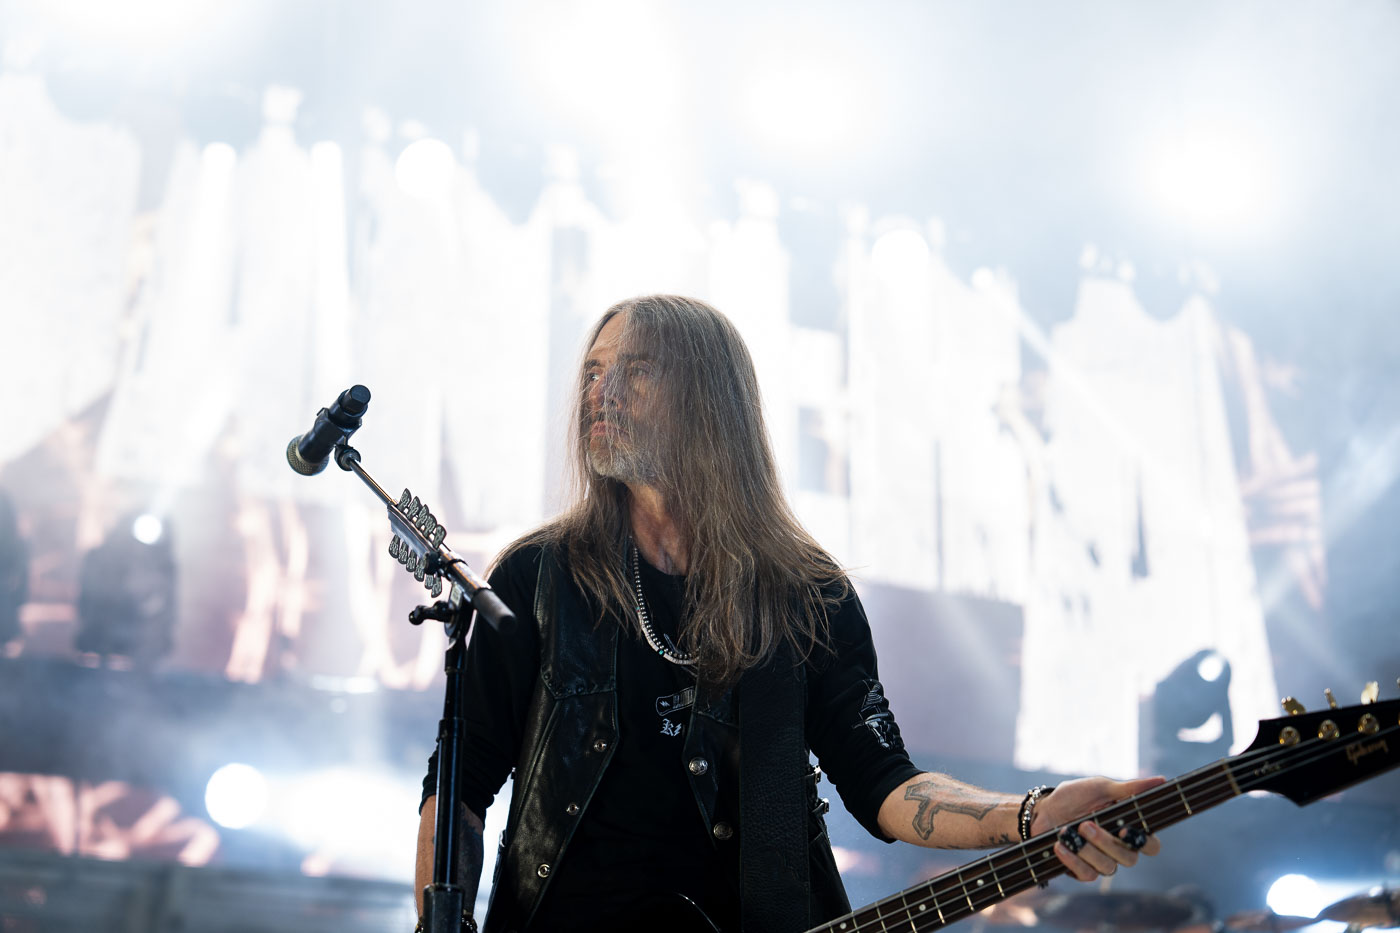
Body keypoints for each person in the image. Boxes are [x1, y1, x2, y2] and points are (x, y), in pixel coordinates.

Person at [415, 295, 1163, 933]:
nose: (599, 393)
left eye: (636, 370)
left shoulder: (805, 596)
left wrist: (1031, 813)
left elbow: (884, 781)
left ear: (708, 401)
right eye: (592, 371)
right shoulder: (539, 576)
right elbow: (459, 788)